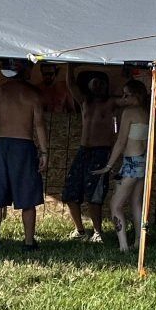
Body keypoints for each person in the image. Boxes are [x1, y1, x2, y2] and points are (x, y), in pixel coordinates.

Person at [0, 62, 49, 249]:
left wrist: (5, 120)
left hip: (2, 146)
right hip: (24, 147)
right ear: (26, 72)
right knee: (28, 199)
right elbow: (39, 126)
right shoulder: (32, 95)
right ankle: (29, 242)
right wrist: (44, 152)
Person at [61, 70, 117, 241]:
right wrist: (70, 63)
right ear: (89, 86)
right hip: (83, 150)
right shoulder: (84, 102)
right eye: (95, 83)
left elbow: (131, 98)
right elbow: (70, 84)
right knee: (70, 192)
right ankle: (80, 231)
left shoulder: (111, 103)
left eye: (101, 83)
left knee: (95, 195)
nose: (98, 86)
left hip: (101, 152)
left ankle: (97, 232)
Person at [107, 76, 152, 254]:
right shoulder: (145, 112)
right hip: (142, 162)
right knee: (135, 201)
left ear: (135, 96)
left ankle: (123, 247)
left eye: (126, 96)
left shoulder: (129, 112)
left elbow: (120, 142)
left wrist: (109, 165)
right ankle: (139, 242)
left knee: (115, 205)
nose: (123, 99)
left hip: (131, 163)